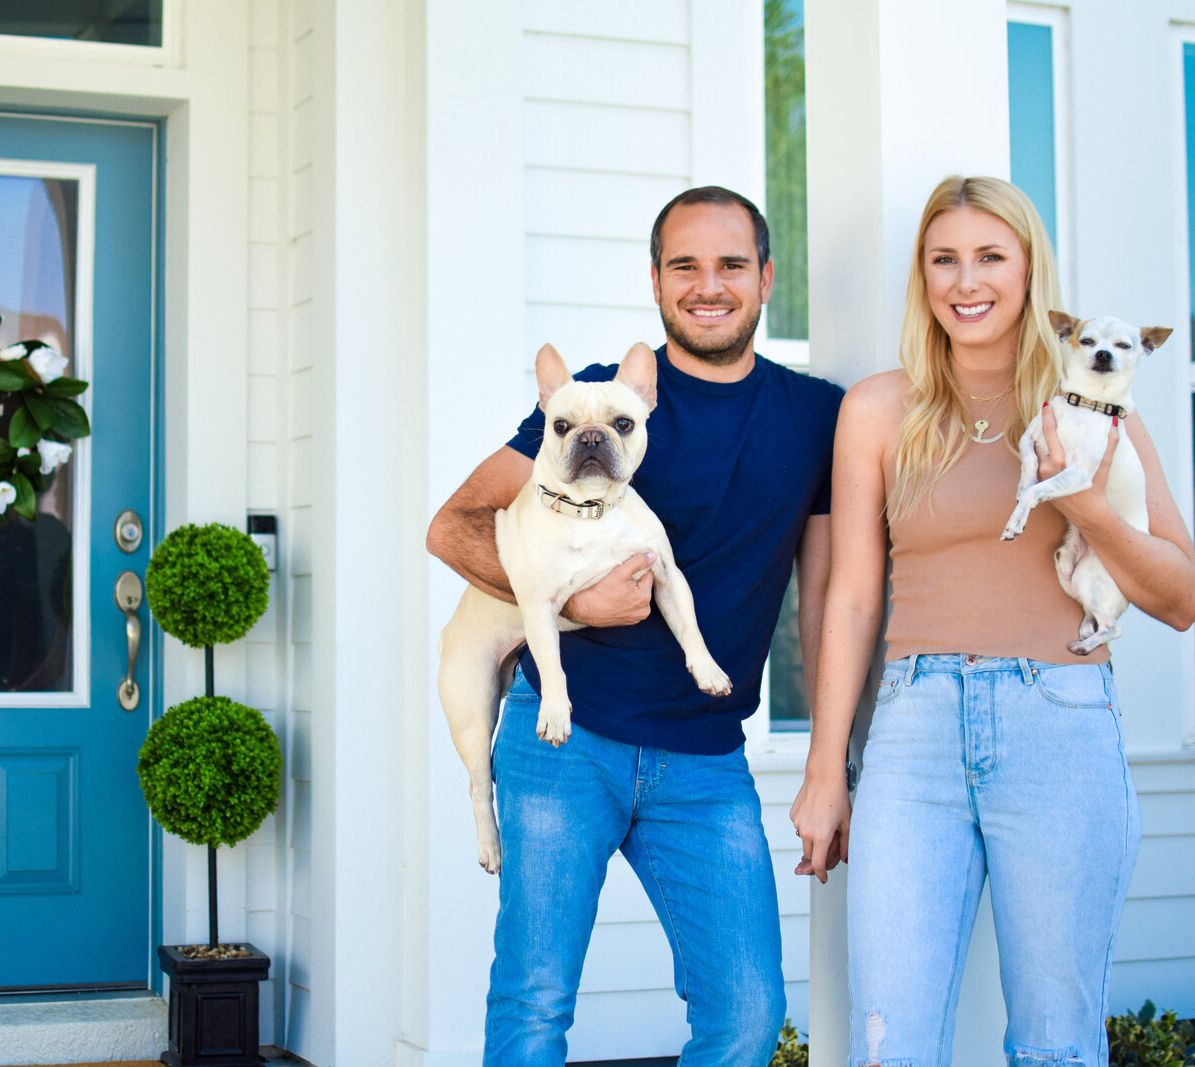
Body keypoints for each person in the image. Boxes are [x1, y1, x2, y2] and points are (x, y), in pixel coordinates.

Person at [427, 186, 843, 1066]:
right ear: (655, 281)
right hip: (567, 745)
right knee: (534, 1006)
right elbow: (454, 525)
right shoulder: (592, 405)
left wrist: (827, 762)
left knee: (746, 1012)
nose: (709, 285)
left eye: (732, 264)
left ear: (766, 278)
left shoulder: (815, 418)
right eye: (684, 265)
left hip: (705, 759)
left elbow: (830, 597)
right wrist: (572, 604)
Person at [790, 175, 1195, 1067]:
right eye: (945, 259)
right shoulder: (878, 409)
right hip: (913, 732)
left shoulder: (1096, 406)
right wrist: (827, 768)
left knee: (1056, 1047)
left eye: (989, 257)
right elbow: (853, 595)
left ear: (1029, 272)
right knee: (888, 1046)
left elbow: (1180, 596)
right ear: (923, 278)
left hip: (1060, 722)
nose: (965, 281)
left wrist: (1084, 501)